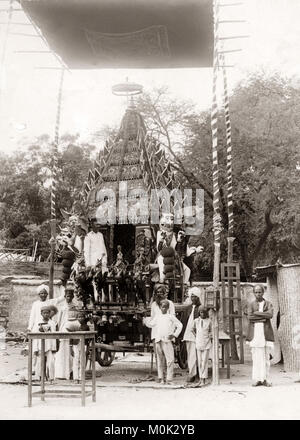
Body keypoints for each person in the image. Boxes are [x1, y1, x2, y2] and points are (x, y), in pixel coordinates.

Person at [27, 284, 65, 374]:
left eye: (45, 293)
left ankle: (47, 373)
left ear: (47, 294)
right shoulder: (35, 304)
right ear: (38, 294)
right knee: (35, 350)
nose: (43, 295)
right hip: (37, 328)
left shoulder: (50, 302)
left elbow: (61, 298)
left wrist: (64, 285)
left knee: (47, 349)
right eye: (41, 293)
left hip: (47, 327)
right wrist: (29, 327)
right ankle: (33, 369)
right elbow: (32, 316)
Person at [144, 299, 182, 385]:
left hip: (167, 340)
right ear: (160, 307)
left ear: (168, 308)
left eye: (165, 307)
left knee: (170, 360)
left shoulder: (170, 316)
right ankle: (161, 378)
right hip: (158, 340)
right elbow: (151, 324)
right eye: (162, 307)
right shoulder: (157, 316)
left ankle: (169, 379)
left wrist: (174, 335)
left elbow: (180, 325)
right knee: (160, 360)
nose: (163, 309)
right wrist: (145, 320)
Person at [247, 284, 274, 387]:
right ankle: (257, 379)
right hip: (255, 333)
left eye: (260, 292)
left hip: (266, 332)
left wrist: (257, 313)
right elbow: (250, 317)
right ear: (254, 293)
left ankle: (265, 379)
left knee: (266, 357)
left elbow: (270, 315)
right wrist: (263, 317)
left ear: (263, 292)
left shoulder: (268, 304)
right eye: (256, 292)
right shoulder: (251, 304)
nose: (258, 294)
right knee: (256, 357)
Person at [179, 286, 202, 383]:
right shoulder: (188, 308)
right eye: (192, 296)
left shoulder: (201, 308)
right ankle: (192, 373)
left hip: (197, 334)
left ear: (198, 297)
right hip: (188, 335)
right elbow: (184, 321)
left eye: (195, 296)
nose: (193, 298)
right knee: (190, 355)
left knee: (198, 355)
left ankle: (197, 374)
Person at [55, 287, 77, 380]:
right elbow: (58, 320)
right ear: (65, 296)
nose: (69, 298)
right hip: (62, 329)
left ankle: (70, 372)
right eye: (67, 296)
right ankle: (61, 374)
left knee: (70, 352)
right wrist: (58, 330)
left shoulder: (75, 307)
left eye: (70, 296)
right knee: (62, 351)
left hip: (71, 329)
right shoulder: (61, 307)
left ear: (73, 296)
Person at [32, 305, 57, 383]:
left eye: (47, 313)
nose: (46, 314)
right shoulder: (37, 323)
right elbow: (35, 336)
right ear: (41, 313)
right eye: (44, 313)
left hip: (49, 345)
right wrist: (35, 348)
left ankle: (51, 378)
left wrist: (54, 348)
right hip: (40, 345)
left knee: (51, 362)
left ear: (50, 314)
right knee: (40, 362)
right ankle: (41, 377)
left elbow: (54, 336)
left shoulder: (52, 323)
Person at [65, 311, 90, 383]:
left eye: (82, 317)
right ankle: (76, 378)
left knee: (82, 361)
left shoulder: (86, 327)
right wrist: (70, 347)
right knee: (75, 361)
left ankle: (81, 377)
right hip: (75, 345)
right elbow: (71, 337)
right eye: (79, 317)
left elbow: (88, 339)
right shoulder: (73, 326)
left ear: (84, 318)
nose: (81, 318)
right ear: (76, 318)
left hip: (83, 345)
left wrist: (88, 347)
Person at [192, 306, 212, 387]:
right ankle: (200, 379)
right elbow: (192, 329)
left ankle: (204, 379)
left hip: (206, 343)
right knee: (199, 362)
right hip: (198, 343)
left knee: (204, 362)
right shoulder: (196, 321)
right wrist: (196, 336)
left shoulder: (209, 321)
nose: (202, 314)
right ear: (199, 313)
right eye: (201, 312)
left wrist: (209, 336)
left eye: (204, 312)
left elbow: (211, 331)